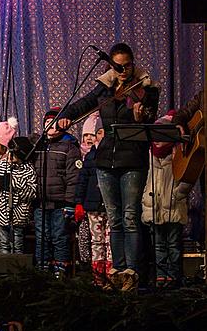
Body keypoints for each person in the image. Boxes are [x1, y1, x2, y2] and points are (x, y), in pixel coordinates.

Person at [59, 42, 159, 291]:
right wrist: (66, 114)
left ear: (133, 63)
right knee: (115, 218)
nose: (123, 70)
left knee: (130, 218)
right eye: (118, 66)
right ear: (111, 66)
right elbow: (84, 102)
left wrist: (141, 116)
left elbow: (150, 118)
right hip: (105, 160)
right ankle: (117, 271)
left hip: (133, 159)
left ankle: (132, 271)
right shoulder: (104, 88)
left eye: (127, 65)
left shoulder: (147, 88)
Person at [142, 114, 192, 288]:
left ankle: (174, 275)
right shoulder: (149, 154)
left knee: (173, 245)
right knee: (158, 245)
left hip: (173, 206)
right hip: (154, 206)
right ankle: (161, 275)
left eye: (161, 136)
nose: (157, 141)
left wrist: (179, 194)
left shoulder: (178, 152)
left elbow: (187, 178)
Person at [36, 107, 81, 278]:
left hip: (60, 203)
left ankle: (60, 270)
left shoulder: (69, 147)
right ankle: (42, 270)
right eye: (48, 123)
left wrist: (70, 203)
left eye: (55, 123)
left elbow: (73, 177)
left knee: (59, 236)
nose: (51, 126)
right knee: (42, 237)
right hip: (40, 202)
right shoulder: (39, 146)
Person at [0, 118, 36, 254]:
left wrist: (14, 184)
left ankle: (17, 271)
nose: (10, 157)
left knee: (18, 245)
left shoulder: (27, 169)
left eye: (13, 154)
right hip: (2, 212)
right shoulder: (2, 164)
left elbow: (31, 192)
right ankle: (5, 271)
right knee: (3, 244)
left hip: (18, 215)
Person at [75, 116, 113, 286]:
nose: (99, 135)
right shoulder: (90, 157)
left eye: (102, 131)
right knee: (96, 242)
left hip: (110, 205)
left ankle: (112, 276)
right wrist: (79, 203)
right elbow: (82, 181)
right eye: (97, 132)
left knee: (110, 241)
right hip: (93, 206)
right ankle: (98, 278)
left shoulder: (114, 154)